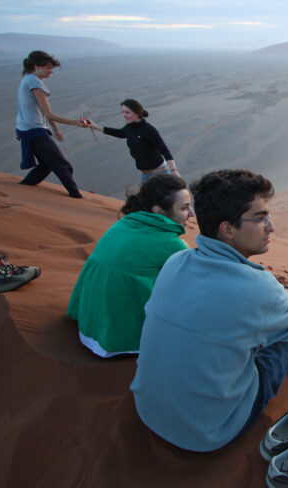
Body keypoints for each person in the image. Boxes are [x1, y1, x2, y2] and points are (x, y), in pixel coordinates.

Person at [130, 169, 288, 452]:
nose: (271, 227)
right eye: (260, 218)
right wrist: (280, 298)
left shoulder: (175, 261)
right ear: (228, 229)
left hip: (147, 411)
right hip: (208, 431)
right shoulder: (259, 288)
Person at [66, 174, 194, 358]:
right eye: (184, 208)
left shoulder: (126, 223)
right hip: (118, 340)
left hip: (90, 324)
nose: (191, 213)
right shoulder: (170, 243)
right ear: (158, 211)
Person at [16, 50, 88, 198]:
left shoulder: (28, 78)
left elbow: (43, 112)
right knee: (62, 165)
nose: (51, 72)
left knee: (46, 164)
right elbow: (48, 114)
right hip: (34, 130)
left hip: (29, 129)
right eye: (48, 68)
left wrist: (55, 129)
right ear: (37, 66)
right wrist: (77, 123)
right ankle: (76, 197)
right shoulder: (34, 82)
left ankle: (24, 187)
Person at [84, 99, 181, 182]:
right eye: (123, 112)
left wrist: (174, 170)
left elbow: (164, 150)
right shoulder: (129, 128)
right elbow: (120, 133)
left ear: (137, 113)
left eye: (127, 112)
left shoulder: (149, 130)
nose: (124, 115)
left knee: (163, 200)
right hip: (145, 174)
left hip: (160, 173)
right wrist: (96, 127)